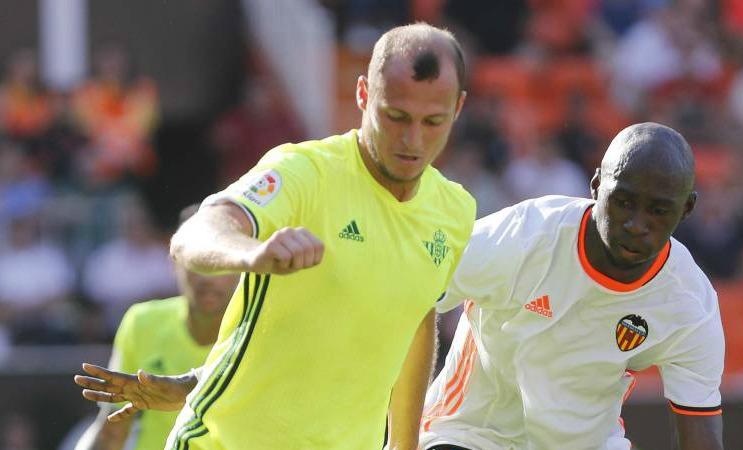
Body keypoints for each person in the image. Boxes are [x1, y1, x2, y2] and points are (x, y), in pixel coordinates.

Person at [75, 22, 476, 450]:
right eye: (395, 116)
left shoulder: (454, 211)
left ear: (458, 108)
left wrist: (403, 444)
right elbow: (195, 234)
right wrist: (252, 252)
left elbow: (416, 318)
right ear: (363, 94)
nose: (413, 139)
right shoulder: (305, 172)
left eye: (432, 122)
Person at [420, 123, 724, 450]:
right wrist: (400, 435)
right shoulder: (523, 236)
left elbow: (699, 425)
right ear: (596, 186)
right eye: (623, 202)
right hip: (472, 436)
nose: (637, 225)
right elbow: (413, 296)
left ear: (687, 208)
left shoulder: (690, 303)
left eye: (658, 211)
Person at [75, 204, 238, 450]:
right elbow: (112, 429)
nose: (207, 277)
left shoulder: (263, 332)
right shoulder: (141, 322)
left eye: (218, 261)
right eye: (196, 261)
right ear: (174, 262)